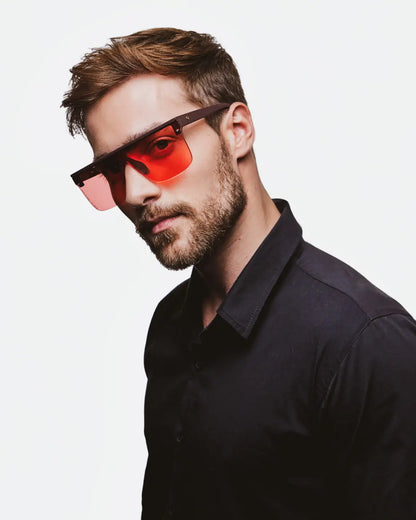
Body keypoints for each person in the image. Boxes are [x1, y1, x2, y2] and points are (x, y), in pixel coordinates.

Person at [62, 27, 416, 520]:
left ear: (237, 130)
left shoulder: (365, 343)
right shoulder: (170, 325)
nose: (136, 193)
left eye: (160, 146)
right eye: (115, 172)